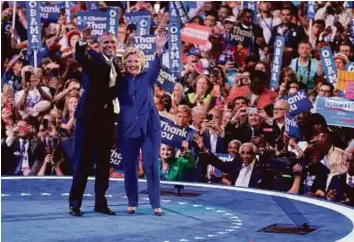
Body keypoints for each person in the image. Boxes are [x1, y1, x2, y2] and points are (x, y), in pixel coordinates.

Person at [68, 28, 120, 217]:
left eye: (112, 43)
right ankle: (75, 204)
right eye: (106, 42)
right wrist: (83, 41)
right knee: (83, 162)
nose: (109, 45)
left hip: (106, 121)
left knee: (104, 164)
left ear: (117, 45)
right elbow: (81, 56)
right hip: (88, 119)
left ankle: (100, 203)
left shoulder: (117, 64)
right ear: (99, 45)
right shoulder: (93, 58)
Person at [117, 32, 168, 216]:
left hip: (150, 129)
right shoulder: (120, 80)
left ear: (141, 62)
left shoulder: (148, 76)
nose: (132, 64)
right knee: (130, 167)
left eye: (135, 61)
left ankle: (156, 203)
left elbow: (156, 65)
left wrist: (159, 48)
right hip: (127, 129)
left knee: (151, 165)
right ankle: (132, 203)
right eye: (129, 61)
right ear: (124, 63)